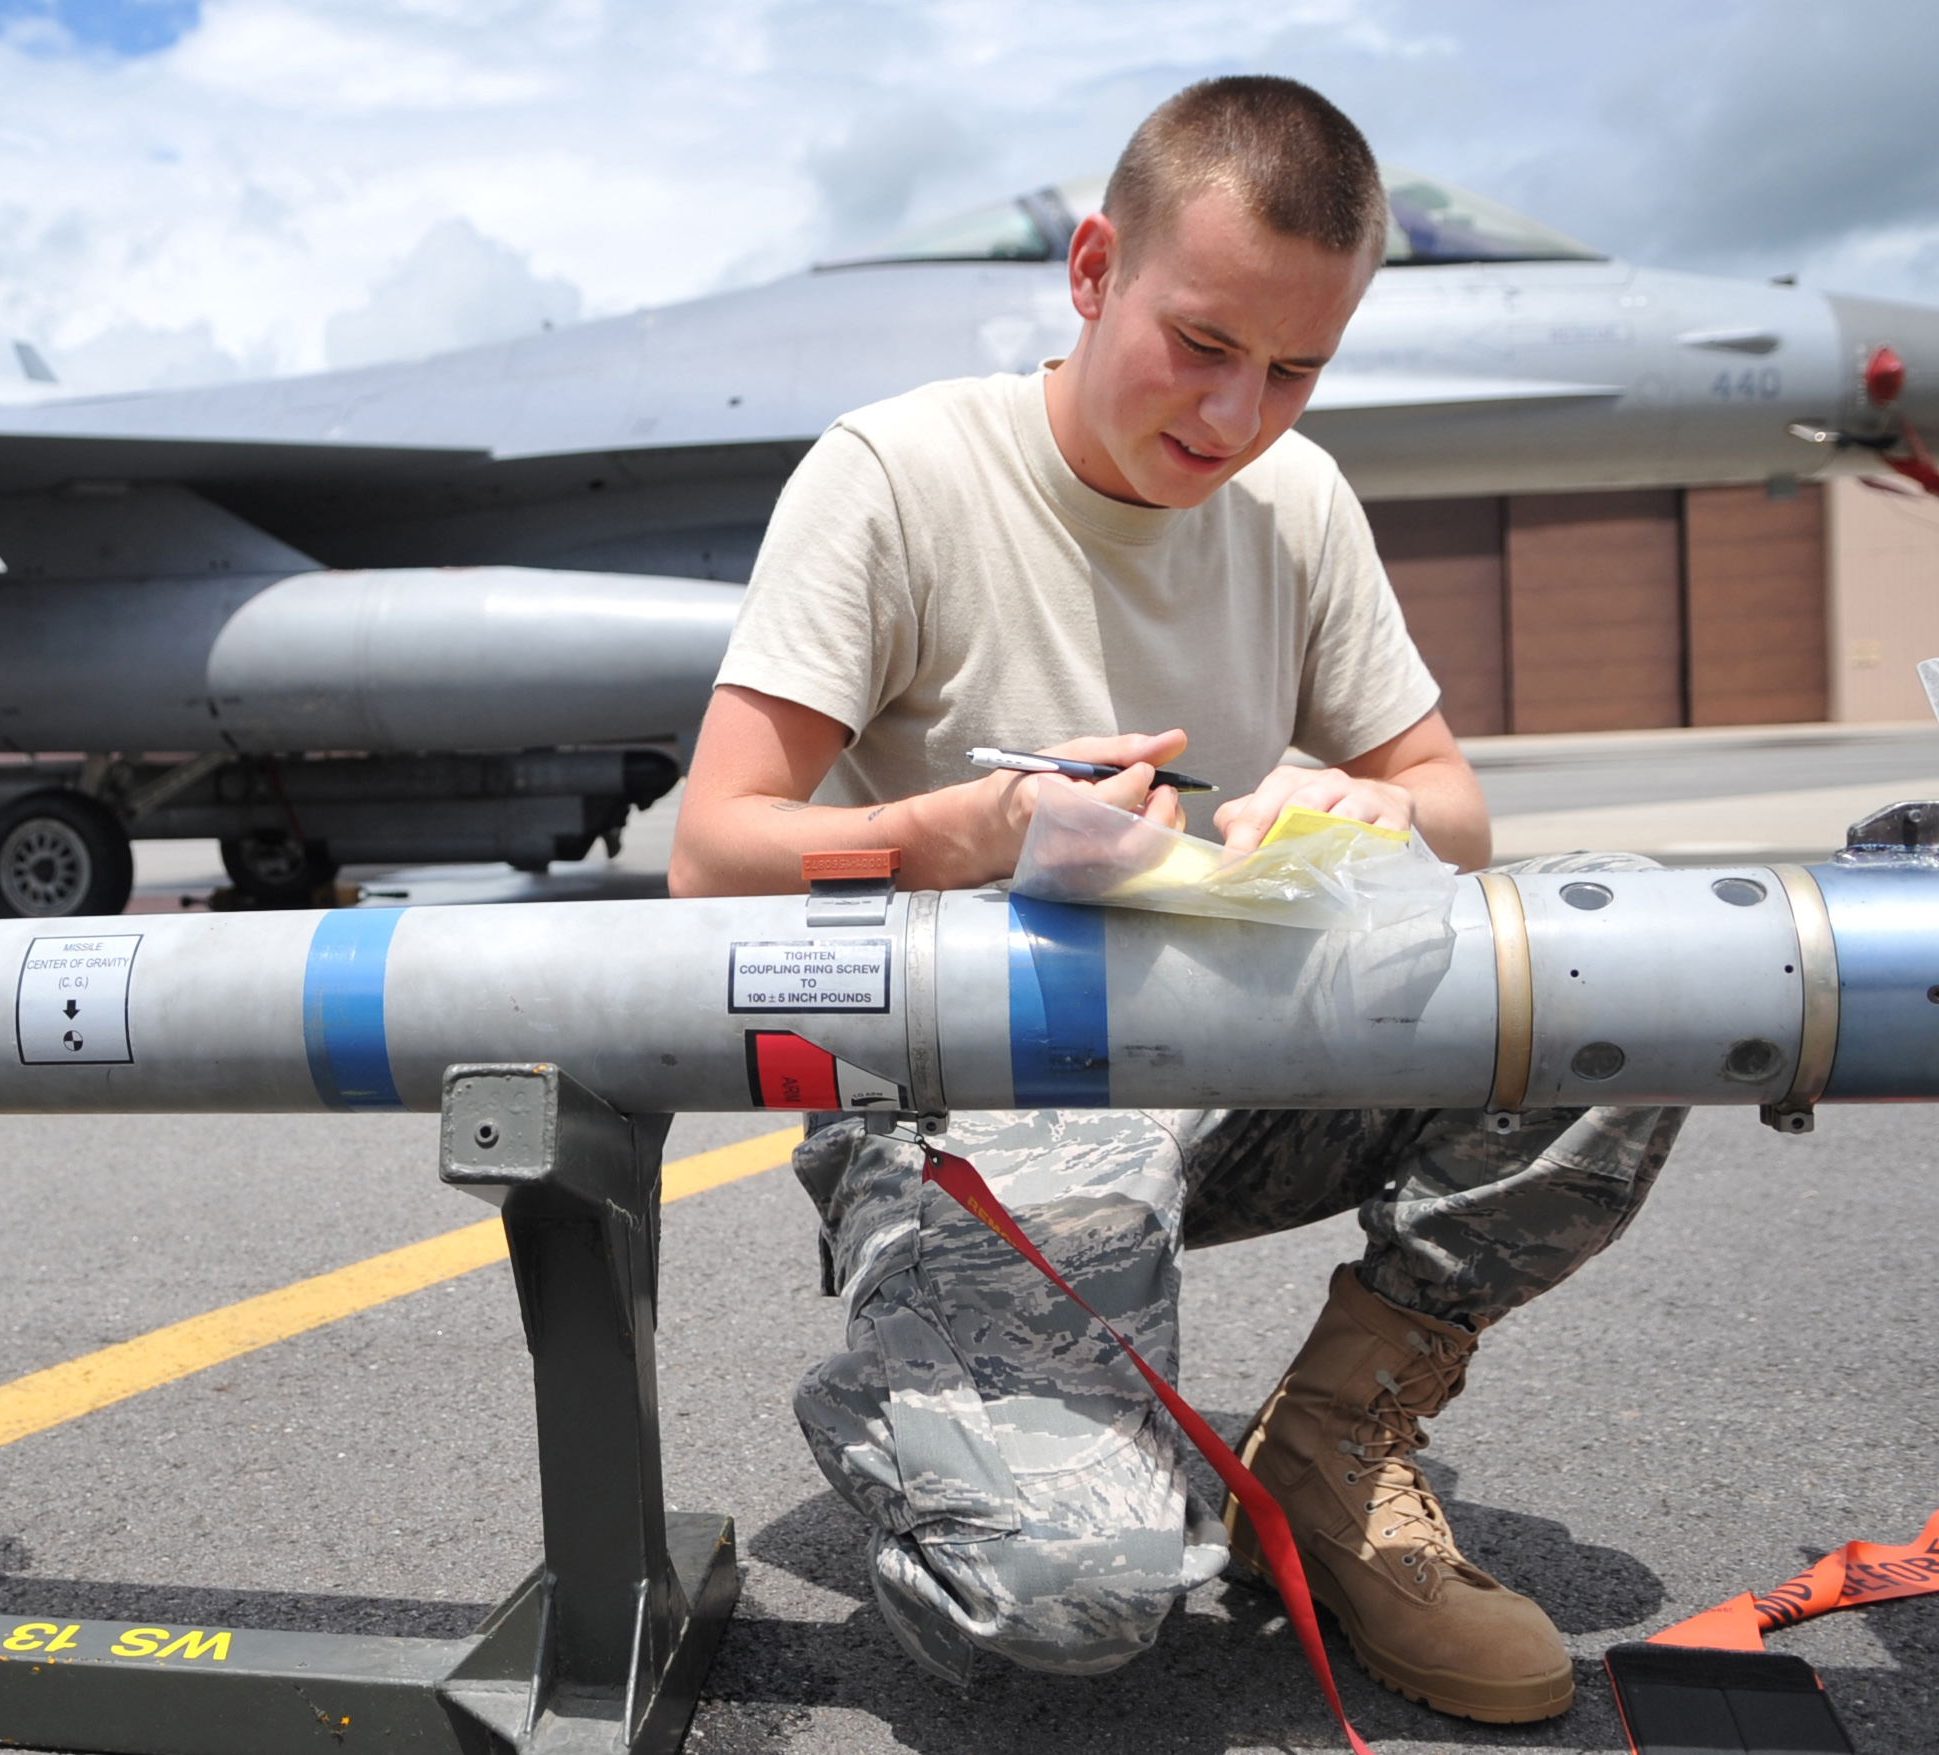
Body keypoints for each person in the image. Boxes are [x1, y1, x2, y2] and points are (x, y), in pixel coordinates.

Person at [669, 76, 1682, 1724]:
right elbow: (718, 848)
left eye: (1296, 369)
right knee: (1076, 1607)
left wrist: (1372, 807)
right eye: (1202, 345)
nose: (1238, 417)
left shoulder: (1299, 502)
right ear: (1091, 271)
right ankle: (910, 1395)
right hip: (969, 1099)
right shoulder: (899, 473)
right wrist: (984, 827)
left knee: (1641, 956)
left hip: (1229, 1059)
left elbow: (1457, 810)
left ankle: (1340, 1439)